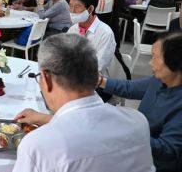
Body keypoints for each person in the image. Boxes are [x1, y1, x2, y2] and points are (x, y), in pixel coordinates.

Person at [12, 33, 155, 172]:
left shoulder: (37, 146)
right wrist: (46, 119)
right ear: (95, 75)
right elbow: (89, 128)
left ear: (46, 79)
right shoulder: (138, 122)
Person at [98, 31, 182, 172]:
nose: (150, 63)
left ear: (174, 63)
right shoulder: (158, 80)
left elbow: (168, 150)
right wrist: (99, 80)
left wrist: (129, 132)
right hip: (140, 151)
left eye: (155, 58)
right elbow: (129, 88)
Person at [67, 0, 115, 79]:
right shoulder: (73, 29)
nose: (72, 11)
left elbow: (97, 69)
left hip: (95, 83)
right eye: (70, 6)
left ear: (90, 9)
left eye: (77, 7)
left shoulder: (105, 33)